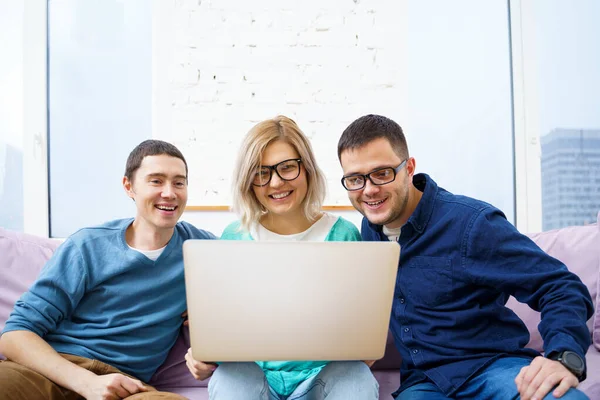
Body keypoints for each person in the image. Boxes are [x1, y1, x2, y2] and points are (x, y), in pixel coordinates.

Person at [336, 114, 594, 400]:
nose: (369, 189)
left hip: (492, 368)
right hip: (423, 384)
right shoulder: (370, 229)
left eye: (382, 173)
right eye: (355, 179)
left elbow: (560, 286)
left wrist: (563, 357)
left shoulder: (472, 224)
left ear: (409, 168)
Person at [0, 139, 216, 400]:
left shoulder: (202, 249)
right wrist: (87, 383)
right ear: (129, 186)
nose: (169, 192)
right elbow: (14, 335)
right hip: (53, 371)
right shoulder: (88, 246)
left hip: (126, 386)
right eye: (156, 181)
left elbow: (251, 285)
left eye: (178, 182)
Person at [185, 115, 380, 399]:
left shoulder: (343, 234)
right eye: (262, 173)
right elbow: (220, 322)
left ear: (307, 169)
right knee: (229, 380)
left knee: (358, 379)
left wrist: (365, 349)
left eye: (287, 167)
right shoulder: (235, 236)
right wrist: (202, 355)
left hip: (323, 377)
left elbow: (360, 326)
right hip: (254, 377)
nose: (276, 183)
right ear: (249, 181)